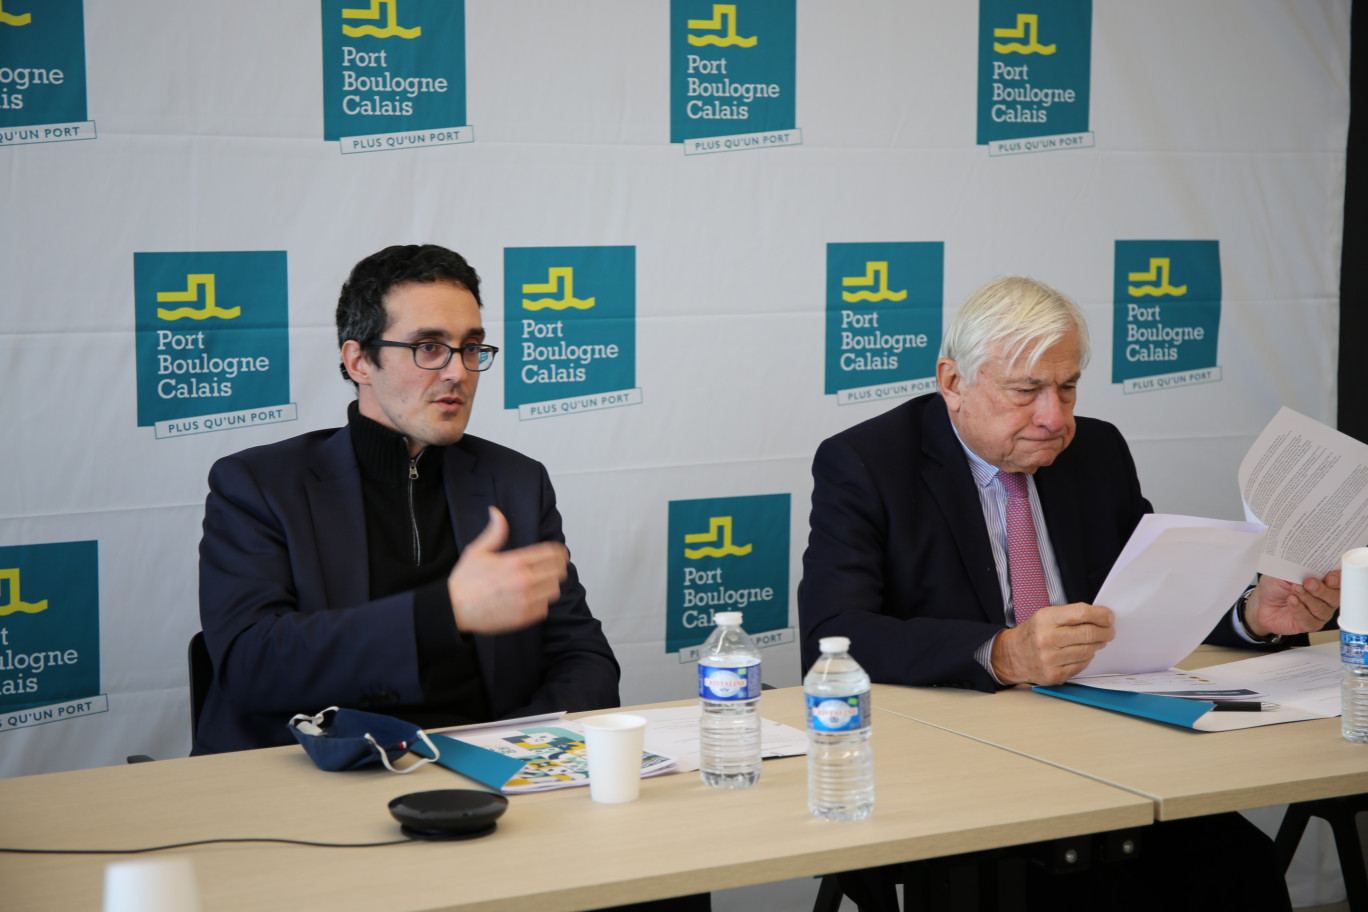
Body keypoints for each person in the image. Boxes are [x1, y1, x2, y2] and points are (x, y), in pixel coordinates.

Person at [799, 276, 1340, 911]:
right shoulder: (866, 464)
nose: (1055, 418)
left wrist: (1252, 615)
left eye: (1067, 387)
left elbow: (1148, 598)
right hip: (958, 767)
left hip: (1104, 751)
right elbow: (835, 633)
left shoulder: (1097, 450)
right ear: (953, 383)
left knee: (1236, 866)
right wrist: (1001, 653)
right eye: (1026, 391)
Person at [194, 244, 620, 755]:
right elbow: (251, 665)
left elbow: (585, 660)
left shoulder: (517, 483)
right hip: (311, 773)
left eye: (470, 347)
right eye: (428, 347)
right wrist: (445, 611)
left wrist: (508, 751)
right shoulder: (259, 484)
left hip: (482, 775)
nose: (458, 372)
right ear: (360, 361)